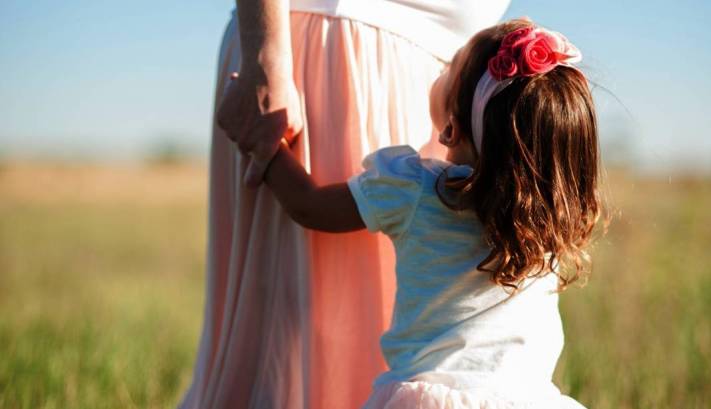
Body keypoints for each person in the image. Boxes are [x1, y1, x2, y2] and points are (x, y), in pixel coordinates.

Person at [221, 19, 600, 408]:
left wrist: (264, 145)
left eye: (449, 66)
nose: (441, 70)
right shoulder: (550, 227)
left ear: (451, 129)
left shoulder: (417, 189)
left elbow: (310, 205)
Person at [180, 1, 511, 408]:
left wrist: (268, 153)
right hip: (325, 63)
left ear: (451, 129)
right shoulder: (538, 214)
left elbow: (309, 206)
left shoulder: (408, 186)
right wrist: (265, 56)